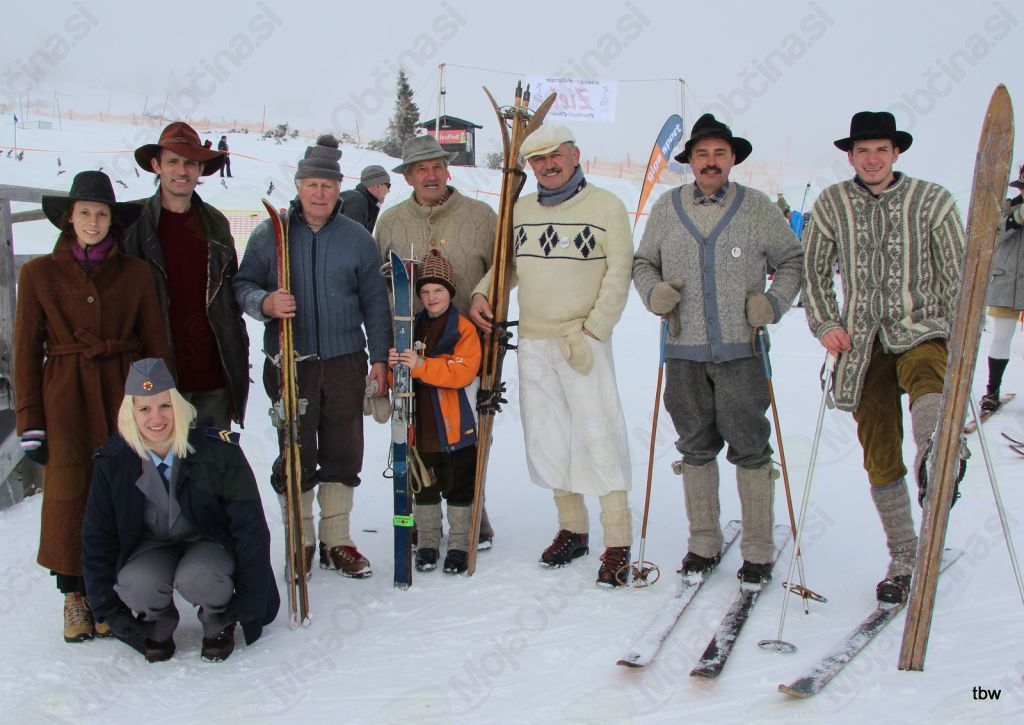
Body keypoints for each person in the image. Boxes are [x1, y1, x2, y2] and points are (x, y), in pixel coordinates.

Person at [632, 113, 803, 585]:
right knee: (695, 446)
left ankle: (758, 550)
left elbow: (793, 260)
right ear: (690, 161)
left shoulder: (757, 207)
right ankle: (703, 543)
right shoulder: (667, 208)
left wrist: (773, 302)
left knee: (750, 446)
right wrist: (653, 293)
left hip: (742, 352)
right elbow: (643, 263)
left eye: (719, 154)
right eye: (702, 154)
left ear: (732, 159)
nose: (710, 161)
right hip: (682, 353)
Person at [802, 111, 965, 603]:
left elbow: (958, 274)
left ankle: (938, 454)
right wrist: (827, 323)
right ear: (851, 157)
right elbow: (813, 270)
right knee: (878, 448)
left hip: (922, 326)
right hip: (861, 343)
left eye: (881, 150)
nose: (872, 159)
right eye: (863, 151)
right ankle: (904, 553)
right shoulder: (832, 203)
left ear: (896, 153)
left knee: (927, 374)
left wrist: (962, 337)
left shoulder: (933, 200)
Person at [470, 124, 635, 587]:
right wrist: (483, 291)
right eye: (538, 159)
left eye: (555, 155)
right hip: (535, 341)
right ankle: (572, 529)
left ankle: (618, 541)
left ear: (575, 155)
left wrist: (596, 328)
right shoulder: (521, 211)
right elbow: (508, 265)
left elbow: (620, 270)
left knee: (598, 434)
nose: (548, 165)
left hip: (581, 340)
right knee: (550, 436)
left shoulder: (606, 206)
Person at [14, 170, 168, 643]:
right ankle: (76, 596)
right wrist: (30, 419)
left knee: (123, 490)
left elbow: (154, 344)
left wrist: (160, 409)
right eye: (84, 213)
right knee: (68, 496)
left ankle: (113, 594)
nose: (93, 222)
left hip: (123, 393)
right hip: (64, 398)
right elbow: (25, 352)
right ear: (69, 218)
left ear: (112, 221)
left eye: (101, 214)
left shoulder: (136, 274)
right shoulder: (38, 274)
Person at [235, 134, 391, 579]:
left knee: (344, 450)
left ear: (339, 189)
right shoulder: (272, 234)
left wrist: (379, 358)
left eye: (327, 185)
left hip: (344, 361)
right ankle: (301, 538)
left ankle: (336, 539)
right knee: (296, 450)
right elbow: (242, 285)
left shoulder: (357, 238)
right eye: (311, 185)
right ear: (299, 187)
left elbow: (374, 303)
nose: (319, 193)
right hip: (290, 360)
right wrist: (265, 303)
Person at [81, 359, 279, 663]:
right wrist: (107, 608)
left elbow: (249, 527)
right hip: (150, 546)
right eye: (144, 409)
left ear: (178, 406)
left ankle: (218, 622)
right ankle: (157, 623)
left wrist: (252, 596)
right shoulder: (114, 463)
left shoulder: (217, 451)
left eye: (165, 405)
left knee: (198, 576)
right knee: (136, 582)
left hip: (206, 542)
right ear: (130, 413)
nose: (156, 417)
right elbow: (97, 539)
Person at [376, 134, 498, 549]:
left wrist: (482, 292)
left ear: (448, 170)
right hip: (411, 349)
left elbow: (505, 267)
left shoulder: (481, 216)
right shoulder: (390, 222)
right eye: (420, 169)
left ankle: (473, 515)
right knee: (416, 432)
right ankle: (421, 518)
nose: (430, 175)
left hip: (469, 346)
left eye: (437, 167)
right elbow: (379, 284)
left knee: (468, 435)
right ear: (407, 176)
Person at [124, 121, 249, 430]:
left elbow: (229, 296)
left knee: (213, 459)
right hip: (157, 377)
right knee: (162, 461)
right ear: (157, 166)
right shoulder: (132, 224)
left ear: (200, 168)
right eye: (173, 161)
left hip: (214, 377)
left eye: (190, 163)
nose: (181, 171)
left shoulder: (215, 223)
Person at [388, 252, 482, 574]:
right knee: (424, 486)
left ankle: (458, 545)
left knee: (459, 487)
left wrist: (421, 365)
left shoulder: (463, 329)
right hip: (421, 425)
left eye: (438, 290)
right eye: (425, 291)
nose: (431, 297)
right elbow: (400, 379)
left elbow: (462, 372)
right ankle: (428, 542)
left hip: (457, 427)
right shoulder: (409, 326)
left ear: (450, 292)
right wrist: (395, 366)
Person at [980, 164, 1024, 414]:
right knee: (1001, 337)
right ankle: (992, 392)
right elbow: (991, 236)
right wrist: (1016, 219)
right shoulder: (1007, 208)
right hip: (1007, 283)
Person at [341, 164, 391, 232]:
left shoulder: (365, 202)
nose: (388, 191)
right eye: (388, 186)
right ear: (377, 186)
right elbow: (350, 236)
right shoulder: (356, 202)